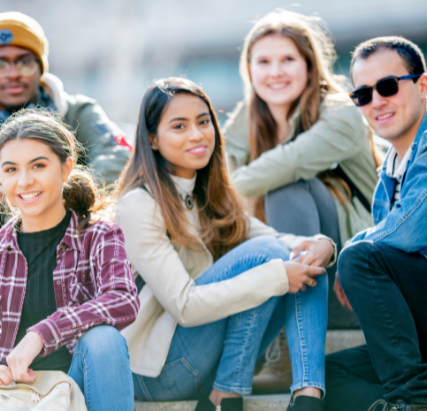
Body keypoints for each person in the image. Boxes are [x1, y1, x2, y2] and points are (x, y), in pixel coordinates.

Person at [114, 77, 336, 411]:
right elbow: (185, 307)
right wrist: (276, 276)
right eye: (179, 126)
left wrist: (323, 244)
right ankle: (227, 392)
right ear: (152, 139)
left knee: (304, 261)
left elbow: (276, 240)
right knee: (270, 260)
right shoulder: (139, 205)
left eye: (204, 122)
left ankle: (307, 396)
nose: (197, 134)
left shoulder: (211, 195)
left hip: (204, 356)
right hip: (157, 370)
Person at [0, 109, 140, 411]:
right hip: (7, 396)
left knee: (104, 340)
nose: (24, 181)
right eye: (10, 170)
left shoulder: (100, 236)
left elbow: (122, 300)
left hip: (74, 389)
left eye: (38, 165)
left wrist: (43, 333)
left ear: (66, 168)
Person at [223, 10, 380, 331]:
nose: (275, 72)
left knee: (286, 188)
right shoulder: (248, 118)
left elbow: (284, 165)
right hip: (280, 271)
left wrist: (214, 196)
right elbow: (216, 173)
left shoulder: (343, 114)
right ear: (249, 70)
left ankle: (294, 347)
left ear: (309, 65)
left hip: (353, 280)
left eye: (288, 60)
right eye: (263, 62)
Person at [0, 11, 131, 219]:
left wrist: (65, 193)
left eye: (25, 62)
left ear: (41, 69)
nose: (13, 73)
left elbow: (120, 156)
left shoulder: (76, 111)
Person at [325, 36, 427, 411]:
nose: (376, 102)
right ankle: (412, 403)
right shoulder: (388, 171)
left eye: (388, 86)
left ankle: (414, 399)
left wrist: (351, 254)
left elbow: (410, 231)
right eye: (362, 95)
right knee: (327, 378)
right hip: (424, 336)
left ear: (423, 86)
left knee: (359, 258)